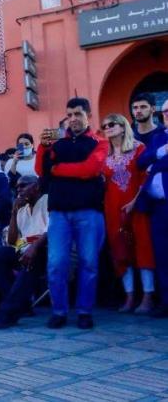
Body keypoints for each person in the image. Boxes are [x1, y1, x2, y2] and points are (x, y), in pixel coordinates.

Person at [36, 97, 109, 329]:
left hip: (89, 212)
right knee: (56, 263)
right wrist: (42, 147)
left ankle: (85, 311)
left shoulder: (100, 142)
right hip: (59, 213)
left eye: (78, 114)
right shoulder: (56, 142)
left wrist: (57, 169)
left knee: (89, 263)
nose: (73, 119)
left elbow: (91, 169)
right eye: (70, 114)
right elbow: (41, 169)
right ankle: (59, 311)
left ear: (88, 115)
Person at [101, 114, 155, 314]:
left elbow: (145, 177)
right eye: (105, 125)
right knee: (120, 250)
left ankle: (148, 296)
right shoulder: (103, 154)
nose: (107, 127)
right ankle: (130, 296)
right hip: (113, 209)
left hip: (137, 205)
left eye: (112, 124)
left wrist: (135, 201)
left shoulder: (139, 148)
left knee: (143, 247)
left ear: (123, 127)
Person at [0, 175, 48, 329]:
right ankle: (22, 305)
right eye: (17, 188)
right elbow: (11, 240)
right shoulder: (22, 208)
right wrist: (14, 212)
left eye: (23, 186)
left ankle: (8, 313)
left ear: (36, 186)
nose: (19, 190)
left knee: (30, 260)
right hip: (24, 249)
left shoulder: (47, 200)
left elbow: (52, 230)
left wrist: (34, 247)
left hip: (45, 250)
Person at [136, 99, 168, 317]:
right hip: (157, 207)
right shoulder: (158, 138)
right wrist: (159, 153)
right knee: (162, 255)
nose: (166, 114)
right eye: (165, 111)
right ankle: (166, 301)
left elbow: (150, 165)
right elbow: (141, 162)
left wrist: (155, 164)